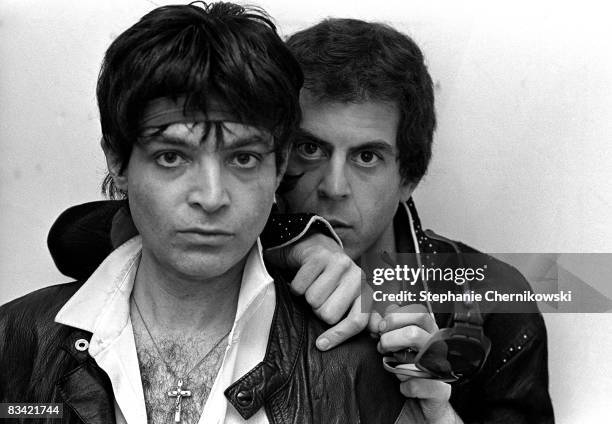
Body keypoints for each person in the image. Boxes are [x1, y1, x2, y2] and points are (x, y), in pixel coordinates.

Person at [43, 13, 553, 424]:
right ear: (279, 154)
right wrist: (293, 238)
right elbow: (73, 234)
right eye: (310, 148)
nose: (332, 187)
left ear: (409, 176)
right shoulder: (232, 247)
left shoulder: (491, 294)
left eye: (367, 157)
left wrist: (433, 408)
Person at [0, 4, 409, 423]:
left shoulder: (361, 356)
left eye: (244, 159)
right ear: (118, 162)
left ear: (279, 168)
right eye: (172, 157)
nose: (212, 197)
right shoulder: (14, 340)